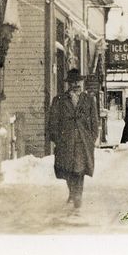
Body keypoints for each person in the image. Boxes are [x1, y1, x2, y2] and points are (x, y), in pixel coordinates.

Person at [47, 68, 99, 209]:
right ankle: (72, 191)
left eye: (77, 81)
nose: (75, 84)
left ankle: (78, 196)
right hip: (66, 141)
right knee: (67, 169)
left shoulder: (88, 99)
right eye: (72, 82)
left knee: (80, 169)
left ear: (81, 82)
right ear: (68, 84)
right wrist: (57, 138)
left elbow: (95, 121)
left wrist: (91, 138)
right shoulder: (59, 100)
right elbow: (53, 121)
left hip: (82, 141)